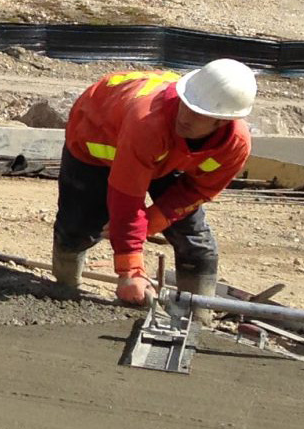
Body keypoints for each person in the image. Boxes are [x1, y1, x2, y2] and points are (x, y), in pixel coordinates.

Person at [51, 59, 259, 307]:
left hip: (163, 157)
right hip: (94, 135)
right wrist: (130, 270)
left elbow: (200, 189)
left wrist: (156, 218)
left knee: (193, 239)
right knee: (79, 226)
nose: (185, 116)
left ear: (221, 121)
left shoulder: (235, 146)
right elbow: (127, 197)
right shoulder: (148, 120)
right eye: (184, 104)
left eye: (197, 113)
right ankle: (64, 293)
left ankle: (197, 314)